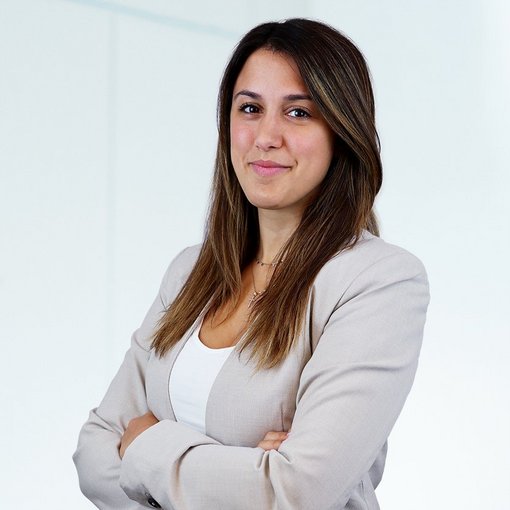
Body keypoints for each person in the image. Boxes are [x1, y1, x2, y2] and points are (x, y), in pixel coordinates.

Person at [73, 18, 429, 510]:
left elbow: (295, 492)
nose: (266, 136)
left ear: (342, 130)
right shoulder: (190, 272)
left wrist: (144, 446)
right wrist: (245, 472)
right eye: (250, 108)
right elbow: (93, 453)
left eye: (299, 113)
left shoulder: (378, 282)